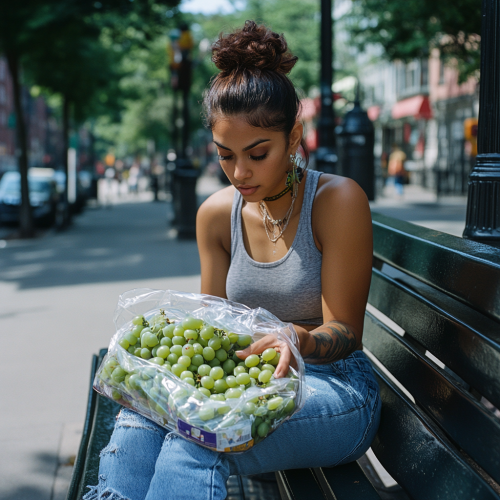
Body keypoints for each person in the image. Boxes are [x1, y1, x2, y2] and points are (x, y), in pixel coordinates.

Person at [84, 21, 380, 500]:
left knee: (202, 437)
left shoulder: (335, 201)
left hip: (336, 393)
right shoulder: (217, 215)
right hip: (249, 383)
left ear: (294, 136)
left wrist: (295, 336)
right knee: (142, 412)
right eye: (225, 156)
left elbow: (346, 333)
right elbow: (216, 324)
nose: (240, 172)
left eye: (258, 154)